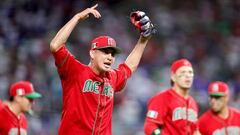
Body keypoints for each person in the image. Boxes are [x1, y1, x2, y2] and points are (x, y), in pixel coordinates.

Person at [49, 4, 155, 135]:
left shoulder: (112, 78)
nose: (110, 57)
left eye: (112, 54)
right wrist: (77, 17)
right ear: (92, 53)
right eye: (105, 52)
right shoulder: (75, 71)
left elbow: (129, 67)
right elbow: (55, 46)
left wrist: (143, 40)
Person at [144, 59, 200, 135]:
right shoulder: (162, 98)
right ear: (173, 77)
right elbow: (150, 126)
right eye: (183, 72)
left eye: (190, 72)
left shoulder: (193, 102)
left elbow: (195, 130)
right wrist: (158, 134)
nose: (187, 76)